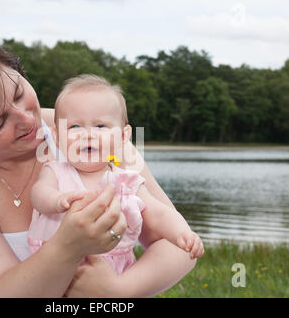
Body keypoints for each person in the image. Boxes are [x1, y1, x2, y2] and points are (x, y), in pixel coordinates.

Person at [0, 26, 199, 298]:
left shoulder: (90, 133)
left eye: (18, 93)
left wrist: (120, 289)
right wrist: (68, 246)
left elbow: (178, 243)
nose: (26, 119)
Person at [28, 74, 204, 275]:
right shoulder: (55, 171)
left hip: (113, 270)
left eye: (100, 126)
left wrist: (183, 233)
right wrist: (57, 200)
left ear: (122, 136)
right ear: (58, 137)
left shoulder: (127, 180)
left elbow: (158, 212)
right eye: (75, 126)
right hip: (56, 268)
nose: (88, 134)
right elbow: (38, 194)